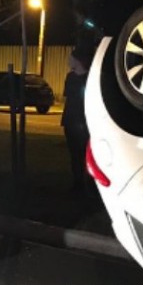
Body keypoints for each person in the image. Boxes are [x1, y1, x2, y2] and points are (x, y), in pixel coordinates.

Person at [61, 47, 93, 194]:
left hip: (85, 122)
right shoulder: (70, 77)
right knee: (74, 155)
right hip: (70, 121)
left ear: (78, 60)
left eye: (71, 58)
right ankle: (78, 184)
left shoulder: (90, 78)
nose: (69, 60)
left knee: (87, 155)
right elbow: (67, 98)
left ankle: (91, 186)